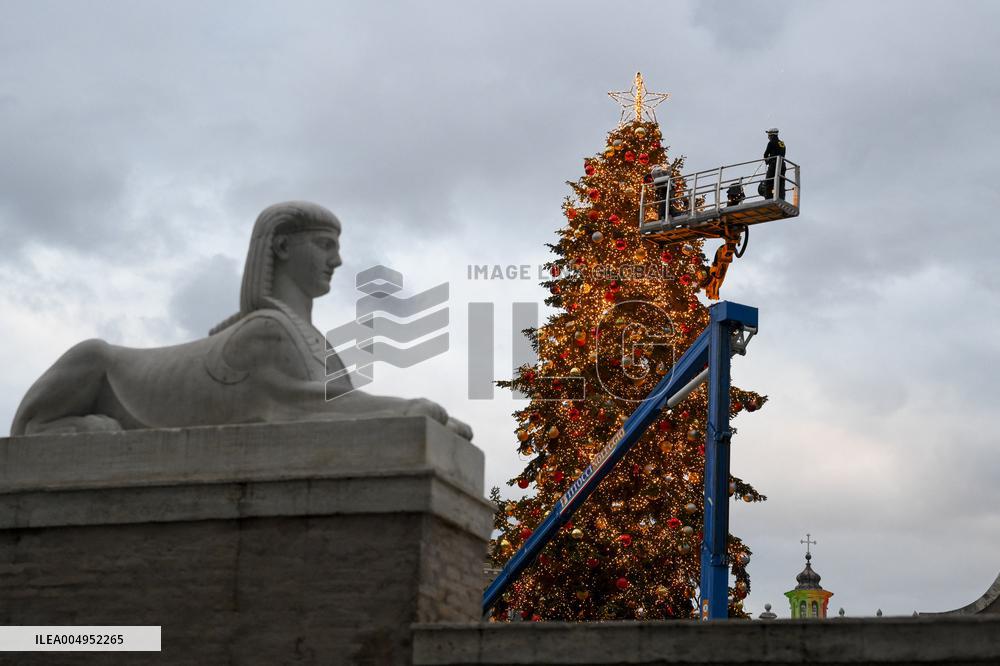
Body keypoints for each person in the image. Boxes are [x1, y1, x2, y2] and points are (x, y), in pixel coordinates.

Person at [11, 201, 473, 439]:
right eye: (324, 245)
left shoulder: (313, 340)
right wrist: (410, 410)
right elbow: (301, 408)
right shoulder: (265, 331)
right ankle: (43, 427)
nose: (336, 260)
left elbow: (335, 405)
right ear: (283, 247)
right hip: (124, 386)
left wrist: (415, 417)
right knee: (94, 352)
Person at [762, 128, 786, 200]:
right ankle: (781, 198)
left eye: (768, 135)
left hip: (774, 165)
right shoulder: (782, 143)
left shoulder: (771, 142)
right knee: (780, 182)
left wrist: (767, 161)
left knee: (769, 182)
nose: (768, 137)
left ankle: (768, 198)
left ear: (771, 135)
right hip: (782, 165)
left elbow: (765, 154)